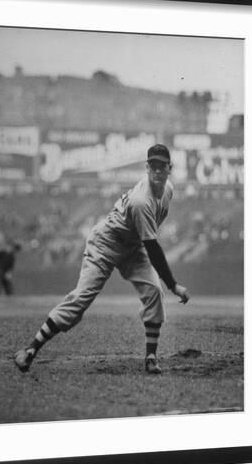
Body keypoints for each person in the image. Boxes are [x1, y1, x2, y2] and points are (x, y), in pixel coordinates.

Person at [14, 144, 190, 374]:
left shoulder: (168, 189)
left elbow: (148, 241)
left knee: (154, 293)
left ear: (170, 169)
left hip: (133, 247)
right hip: (106, 243)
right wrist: (174, 284)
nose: (157, 171)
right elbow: (153, 247)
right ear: (147, 168)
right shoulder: (141, 201)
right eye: (153, 166)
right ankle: (29, 350)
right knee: (81, 299)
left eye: (162, 167)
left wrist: (166, 284)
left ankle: (150, 356)